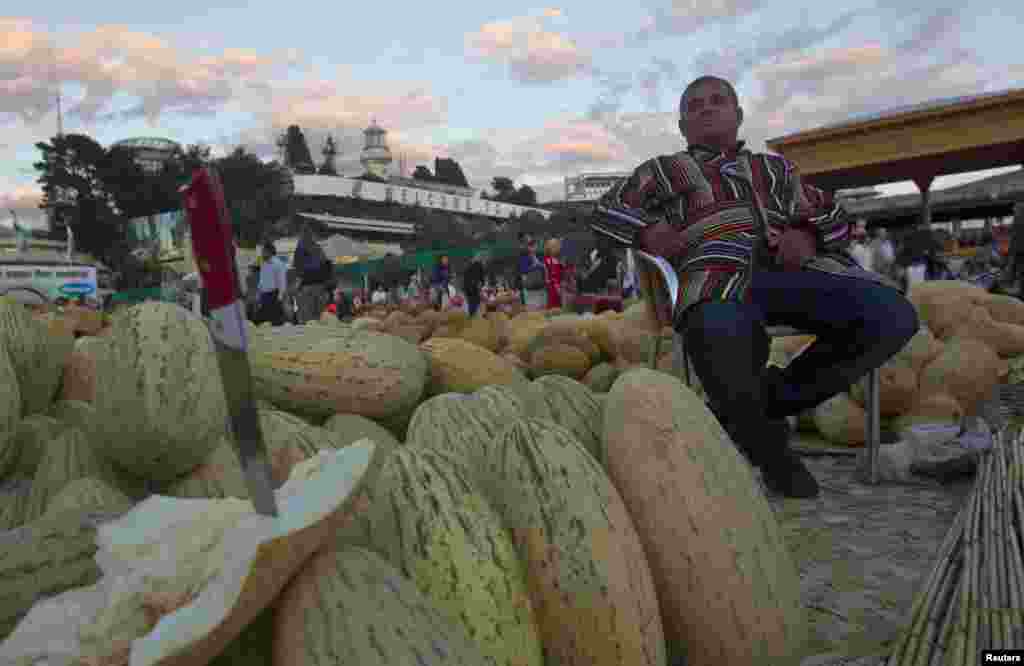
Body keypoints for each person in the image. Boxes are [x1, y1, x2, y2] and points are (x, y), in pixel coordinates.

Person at [590, 75, 918, 498]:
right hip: (713, 272)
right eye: (695, 105)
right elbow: (606, 211)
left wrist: (808, 234)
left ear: (738, 115)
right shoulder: (662, 171)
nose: (707, 108)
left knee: (892, 315)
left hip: (794, 272)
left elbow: (834, 213)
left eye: (718, 100)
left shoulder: (775, 168)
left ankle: (758, 405)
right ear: (682, 125)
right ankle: (771, 452)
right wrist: (648, 230)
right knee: (722, 333)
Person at [292, 225, 332, 323]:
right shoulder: (319, 249)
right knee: (319, 319)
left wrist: (297, 284)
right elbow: (328, 266)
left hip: (307, 289)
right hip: (320, 288)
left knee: (308, 320)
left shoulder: (300, 247)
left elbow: (297, 268)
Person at [255, 241, 288, 326]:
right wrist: (258, 294)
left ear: (269, 252)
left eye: (263, 251)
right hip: (264, 295)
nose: (262, 253)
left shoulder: (278, 264)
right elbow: (262, 280)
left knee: (275, 322)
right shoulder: (263, 263)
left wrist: (280, 298)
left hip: (274, 296)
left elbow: (282, 282)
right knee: (262, 322)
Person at [519, 238, 546, 310]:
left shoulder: (540, 256)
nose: (534, 248)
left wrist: (541, 265)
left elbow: (543, 268)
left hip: (539, 285)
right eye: (532, 246)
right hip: (529, 285)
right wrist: (534, 266)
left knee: (541, 306)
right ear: (528, 247)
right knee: (532, 307)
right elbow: (523, 270)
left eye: (535, 246)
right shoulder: (524, 257)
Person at [543, 238, 565, 310]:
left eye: (557, 247)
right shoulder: (548, 260)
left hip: (559, 286)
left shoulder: (558, 260)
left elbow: (562, 273)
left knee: (559, 305)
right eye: (554, 247)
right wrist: (556, 286)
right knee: (553, 305)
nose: (557, 249)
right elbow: (549, 276)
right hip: (552, 288)